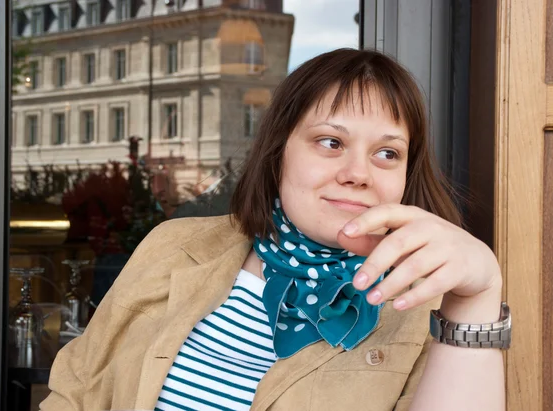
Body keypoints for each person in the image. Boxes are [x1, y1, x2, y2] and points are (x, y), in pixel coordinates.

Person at [40, 49, 508, 411]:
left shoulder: (428, 309)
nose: (358, 172)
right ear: (280, 149)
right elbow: (75, 390)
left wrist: (479, 297)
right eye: (331, 142)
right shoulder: (174, 245)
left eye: (387, 153)